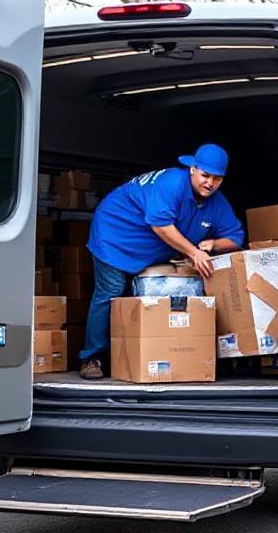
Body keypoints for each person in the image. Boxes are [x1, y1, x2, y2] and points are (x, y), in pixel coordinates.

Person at [80, 143, 244, 379]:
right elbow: (161, 225)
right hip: (116, 233)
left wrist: (214, 245)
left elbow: (236, 236)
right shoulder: (172, 184)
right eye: (205, 175)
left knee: (164, 293)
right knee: (112, 290)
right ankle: (91, 358)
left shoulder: (217, 203)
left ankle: (156, 355)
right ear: (192, 169)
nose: (210, 183)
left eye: (217, 178)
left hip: (153, 249)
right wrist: (194, 252)